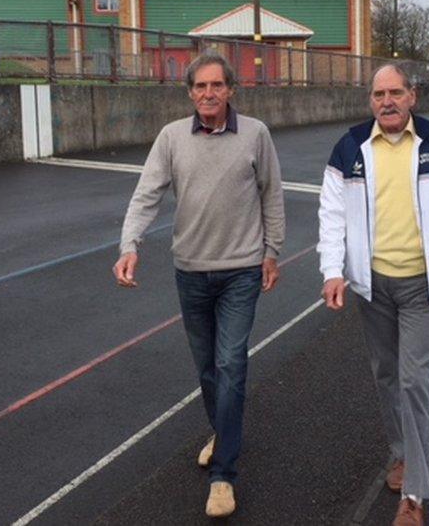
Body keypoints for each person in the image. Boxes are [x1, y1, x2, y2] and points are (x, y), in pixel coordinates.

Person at [112, 52, 285, 518]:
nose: (208, 93)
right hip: (190, 271)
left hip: (242, 270)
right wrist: (130, 245)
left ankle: (224, 475)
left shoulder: (255, 134)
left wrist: (272, 252)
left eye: (217, 85)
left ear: (231, 89)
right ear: (190, 93)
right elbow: (146, 194)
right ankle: (225, 431)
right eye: (200, 87)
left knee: (231, 364)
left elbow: (272, 193)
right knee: (208, 369)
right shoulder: (171, 138)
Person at [317, 63, 429, 526]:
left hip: (423, 285)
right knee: (386, 375)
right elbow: (331, 216)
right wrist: (333, 271)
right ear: (370, 100)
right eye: (378, 94)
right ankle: (402, 453)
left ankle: (414, 496)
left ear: (413, 95)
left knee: (414, 381)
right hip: (373, 285)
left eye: (395, 92)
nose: (386, 101)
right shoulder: (349, 148)